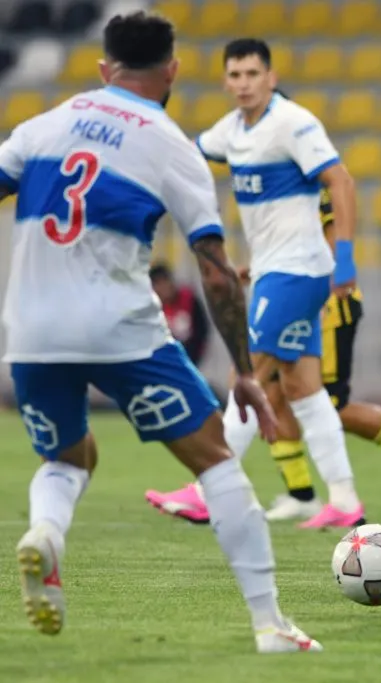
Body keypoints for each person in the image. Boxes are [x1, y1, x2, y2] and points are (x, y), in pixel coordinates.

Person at [0, 12, 321, 651]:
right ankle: (269, 624)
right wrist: (245, 371)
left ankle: (48, 534)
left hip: (30, 328)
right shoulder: (172, 144)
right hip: (120, 328)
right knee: (216, 461)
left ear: (102, 69)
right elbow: (217, 274)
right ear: (172, 70)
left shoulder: (41, 127)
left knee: (69, 456)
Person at [144, 38, 364, 529]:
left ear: (271, 77)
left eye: (252, 74)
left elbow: (341, 181)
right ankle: (345, 498)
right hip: (273, 270)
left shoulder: (294, 124)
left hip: (299, 270)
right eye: (235, 75)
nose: (243, 83)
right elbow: (185, 154)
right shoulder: (230, 131)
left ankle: (208, 488)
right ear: (226, 81)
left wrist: (344, 257)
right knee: (302, 387)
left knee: (248, 372)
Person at [147, 188, 381, 523]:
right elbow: (295, 247)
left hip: (326, 305)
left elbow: (327, 237)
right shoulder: (283, 179)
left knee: (311, 398)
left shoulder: (307, 177)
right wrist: (257, 270)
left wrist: (318, 290)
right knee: (276, 391)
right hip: (295, 293)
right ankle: (303, 494)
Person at [149, 262, 210, 367]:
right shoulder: (152, 310)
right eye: (158, 283)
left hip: (190, 359)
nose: (164, 287)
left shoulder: (189, 299)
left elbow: (202, 331)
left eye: (165, 280)